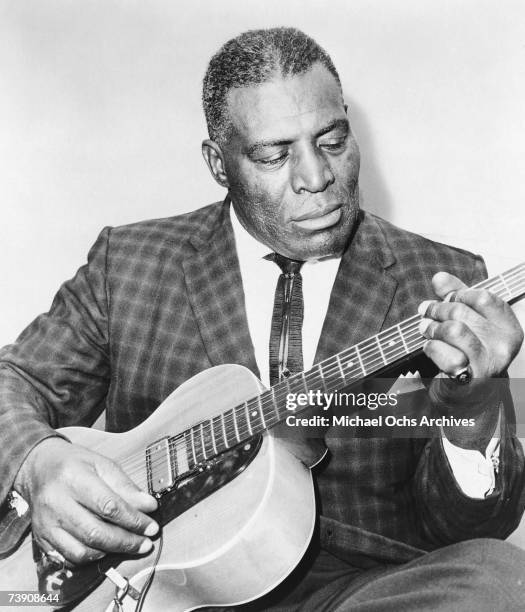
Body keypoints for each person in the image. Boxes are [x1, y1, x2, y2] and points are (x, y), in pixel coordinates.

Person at [1, 26, 524, 610]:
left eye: (331, 141)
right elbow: (12, 384)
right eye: (275, 155)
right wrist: (36, 463)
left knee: (499, 576)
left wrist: (472, 410)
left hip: (357, 591)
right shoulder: (130, 264)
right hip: (155, 588)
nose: (316, 178)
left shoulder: (443, 277)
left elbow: (472, 526)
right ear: (218, 164)